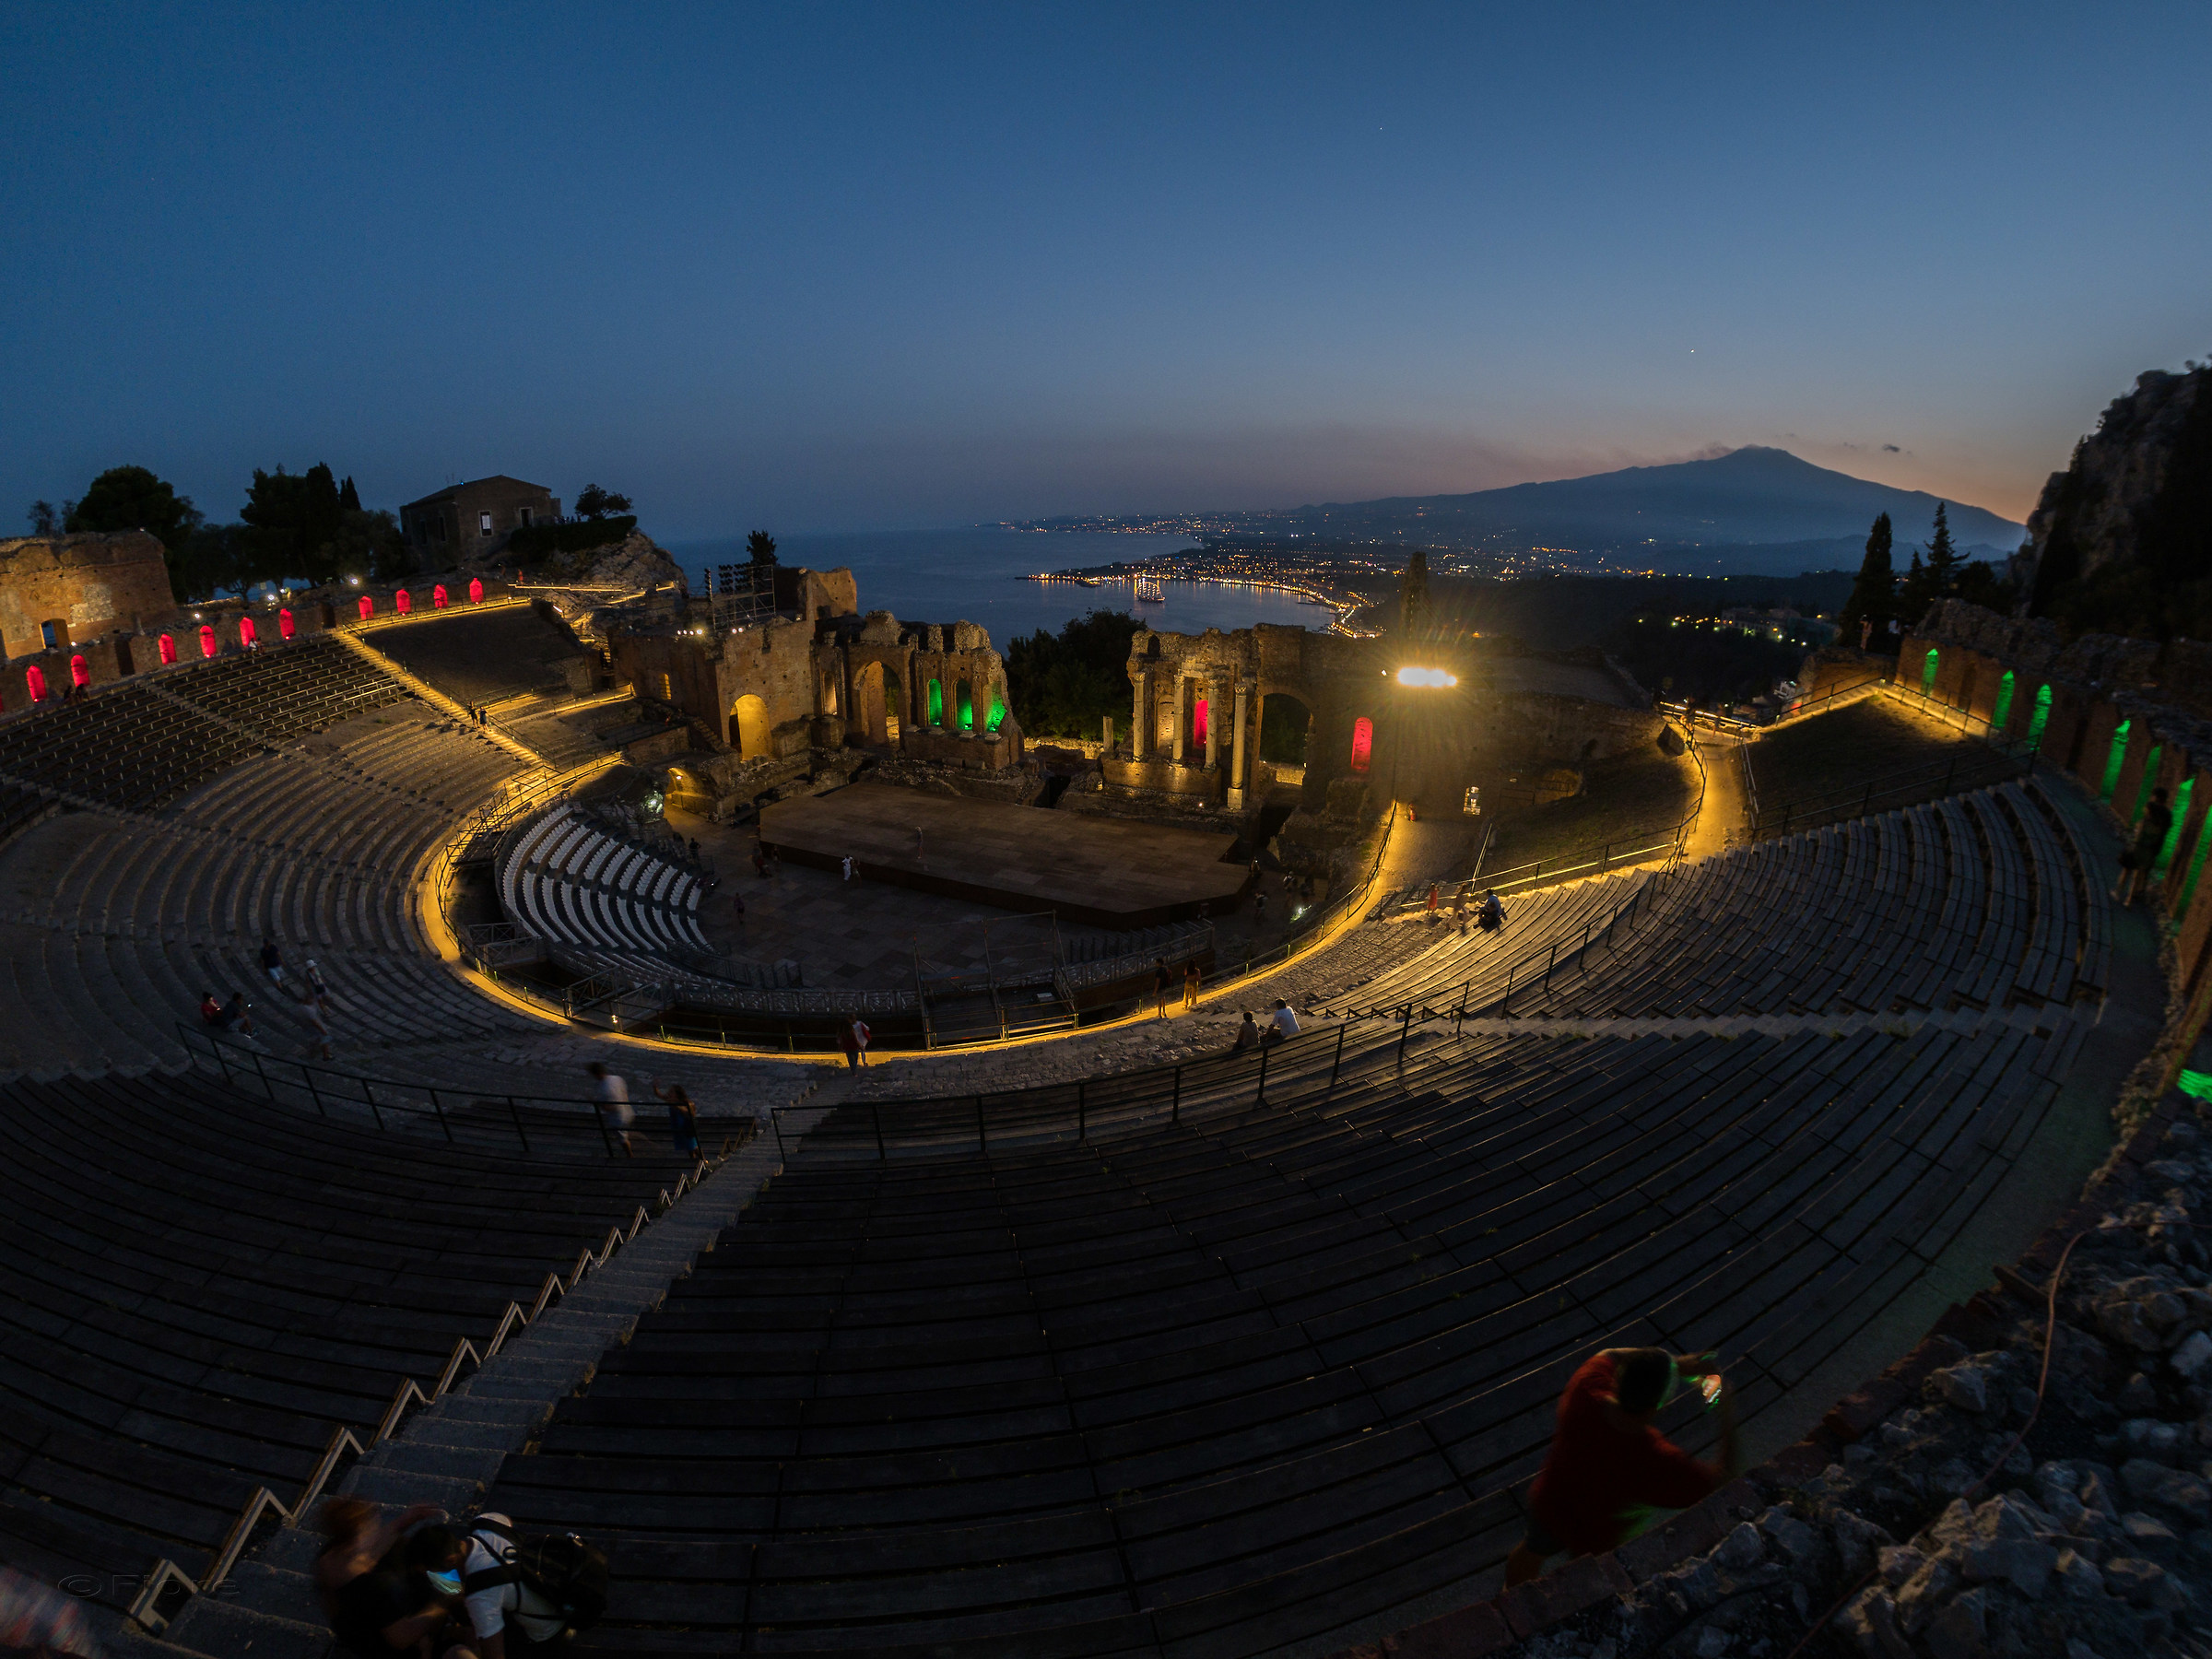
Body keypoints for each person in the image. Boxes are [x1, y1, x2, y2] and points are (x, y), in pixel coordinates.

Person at [1505, 1347, 1739, 1586]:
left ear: (1617, 1379)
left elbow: (1610, 1355)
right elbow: (1723, 1478)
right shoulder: (1656, 1461)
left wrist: (1675, 1363)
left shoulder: (1585, 1388)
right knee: (1589, 1579)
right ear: (1655, 1408)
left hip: (1553, 1501)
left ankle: (1509, 1598)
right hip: (1599, 1536)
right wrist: (1726, 1411)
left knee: (1532, 1550)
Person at [314, 1497, 469, 1658]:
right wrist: (442, 1603)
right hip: (396, 1648)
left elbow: (372, 1550)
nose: (376, 1530)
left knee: (404, 1549)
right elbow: (402, 1638)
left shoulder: (329, 1559)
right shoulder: (370, 1587)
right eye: (370, 1528)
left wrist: (405, 1521)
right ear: (357, 1536)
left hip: (361, 1637)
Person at [456, 1512, 574, 1657]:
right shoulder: (484, 1524)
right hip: (563, 1599)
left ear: (449, 1560)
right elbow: (505, 1519)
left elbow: (495, 1654)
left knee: (458, 1650)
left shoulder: (480, 1592)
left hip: (547, 1637)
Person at [2115, 787, 2174, 906]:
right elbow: (2166, 829)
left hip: (2139, 846)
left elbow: (2141, 828)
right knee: (2139, 873)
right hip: (2152, 849)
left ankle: (2118, 892)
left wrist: (2135, 836)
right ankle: (2130, 899)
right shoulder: (2167, 815)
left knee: (2127, 869)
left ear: (2156, 797)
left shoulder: (2150, 809)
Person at [585, 1062, 633, 1154]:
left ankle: (630, 1155)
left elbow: (609, 1108)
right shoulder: (617, 1079)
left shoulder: (605, 1089)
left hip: (618, 1119)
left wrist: (595, 1102)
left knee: (623, 1140)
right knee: (626, 1130)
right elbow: (625, 1093)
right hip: (627, 1111)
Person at [654, 1080, 700, 1155]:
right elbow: (659, 1095)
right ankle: (693, 1161)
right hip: (678, 1128)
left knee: (693, 1146)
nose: (669, 1093)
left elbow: (689, 1112)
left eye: (671, 1092)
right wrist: (655, 1087)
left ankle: (704, 1161)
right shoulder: (672, 1101)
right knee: (689, 1147)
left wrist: (675, 1105)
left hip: (687, 1128)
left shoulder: (686, 1103)